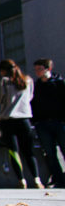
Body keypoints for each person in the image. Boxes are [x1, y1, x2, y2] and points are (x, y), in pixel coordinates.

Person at [0, 59, 43, 189]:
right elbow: (30, 97)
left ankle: (22, 180)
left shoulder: (3, 82)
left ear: (3, 71)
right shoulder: (28, 81)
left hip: (8, 120)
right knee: (29, 151)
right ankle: (37, 179)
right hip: (24, 119)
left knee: (14, 151)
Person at [32, 58, 65, 188]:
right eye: (36, 70)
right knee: (50, 154)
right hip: (43, 124)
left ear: (48, 69)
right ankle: (59, 180)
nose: (37, 72)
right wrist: (36, 121)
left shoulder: (60, 83)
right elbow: (32, 104)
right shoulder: (36, 86)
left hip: (59, 122)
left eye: (40, 69)